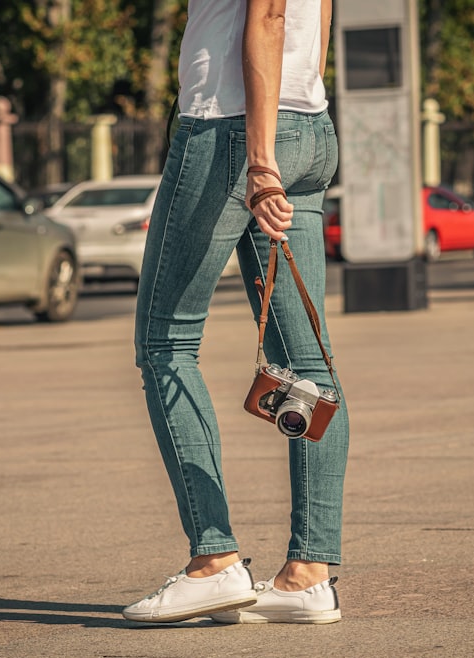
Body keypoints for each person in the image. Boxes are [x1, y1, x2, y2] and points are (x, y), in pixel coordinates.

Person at [125, 0, 349, 625]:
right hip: (308, 121)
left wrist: (259, 160)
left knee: (166, 345)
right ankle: (309, 576)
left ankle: (215, 562)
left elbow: (270, 14)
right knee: (308, 363)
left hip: (229, 126)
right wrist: (296, 105)